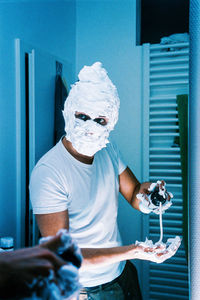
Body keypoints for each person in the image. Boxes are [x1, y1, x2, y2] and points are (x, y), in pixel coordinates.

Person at [29, 62, 179, 300]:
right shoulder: (49, 172)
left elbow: (133, 194)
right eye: (82, 116)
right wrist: (134, 251)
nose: (90, 127)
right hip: (85, 290)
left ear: (112, 121)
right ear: (69, 112)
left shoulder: (108, 151)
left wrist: (151, 197)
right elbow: (62, 255)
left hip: (122, 274)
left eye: (101, 120)